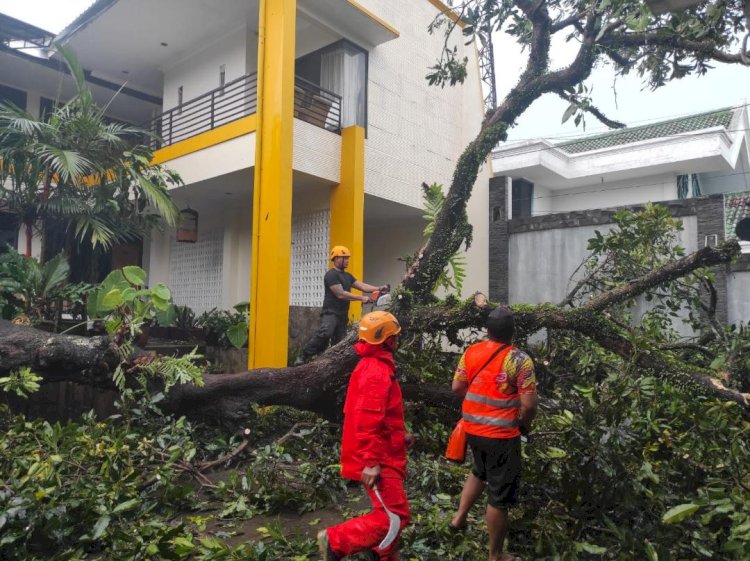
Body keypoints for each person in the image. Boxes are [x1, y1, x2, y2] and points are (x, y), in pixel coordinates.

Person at [318, 311, 413, 561]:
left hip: (384, 451)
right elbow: (367, 420)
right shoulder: (376, 372)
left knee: (388, 511)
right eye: (396, 336)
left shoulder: (374, 366)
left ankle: (382, 554)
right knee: (395, 515)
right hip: (378, 457)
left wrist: (400, 435)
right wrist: (370, 462)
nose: (398, 340)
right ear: (388, 341)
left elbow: (379, 416)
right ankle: (336, 541)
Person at [449, 307, 538, 561]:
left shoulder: (472, 351)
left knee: (479, 470)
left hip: (472, 430)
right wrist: (524, 425)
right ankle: (496, 554)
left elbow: (457, 387)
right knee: (499, 496)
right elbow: (529, 405)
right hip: (501, 435)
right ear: (514, 332)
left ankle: (458, 518)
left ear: (487, 331)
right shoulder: (519, 360)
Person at [296, 246, 388, 364]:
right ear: (336, 258)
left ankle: (330, 364)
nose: (347, 260)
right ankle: (304, 355)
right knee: (325, 333)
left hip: (342, 314)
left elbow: (363, 286)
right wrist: (361, 298)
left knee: (340, 344)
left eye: (348, 258)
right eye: (344, 258)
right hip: (331, 312)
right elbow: (340, 294)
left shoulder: (348, 276)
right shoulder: (331, 275)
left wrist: (379, 288)